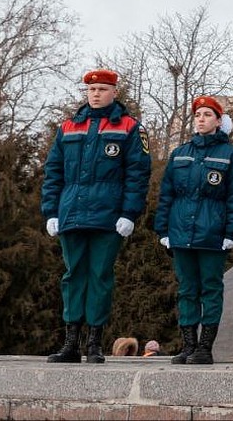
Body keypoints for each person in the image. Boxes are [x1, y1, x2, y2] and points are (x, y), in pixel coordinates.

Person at [42, 69, 152, 364]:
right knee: (73, 276)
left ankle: (94, 342)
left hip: (108, 217)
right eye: (92, 90)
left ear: (114, 92)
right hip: (71, 214)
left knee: (100, 276)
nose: (96, 94)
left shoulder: (130, 127)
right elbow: (53, 173)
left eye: (103, 89)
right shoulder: (67, 128)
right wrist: (51, 211)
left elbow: (138, 174)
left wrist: (129, 213)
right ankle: (71, 343)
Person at [155, 95, 233, 365]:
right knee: (186, 289)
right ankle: (188, 346)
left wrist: (232, 232)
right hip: (181, 232)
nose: (201, 119)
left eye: (207, 115)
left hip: (212, 234)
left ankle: (204, 347)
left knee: (210, 289)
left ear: (219, 121)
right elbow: (166, 195)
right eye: (198, 115)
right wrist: (163, 229)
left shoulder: (231, 155)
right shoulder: (180, 153)